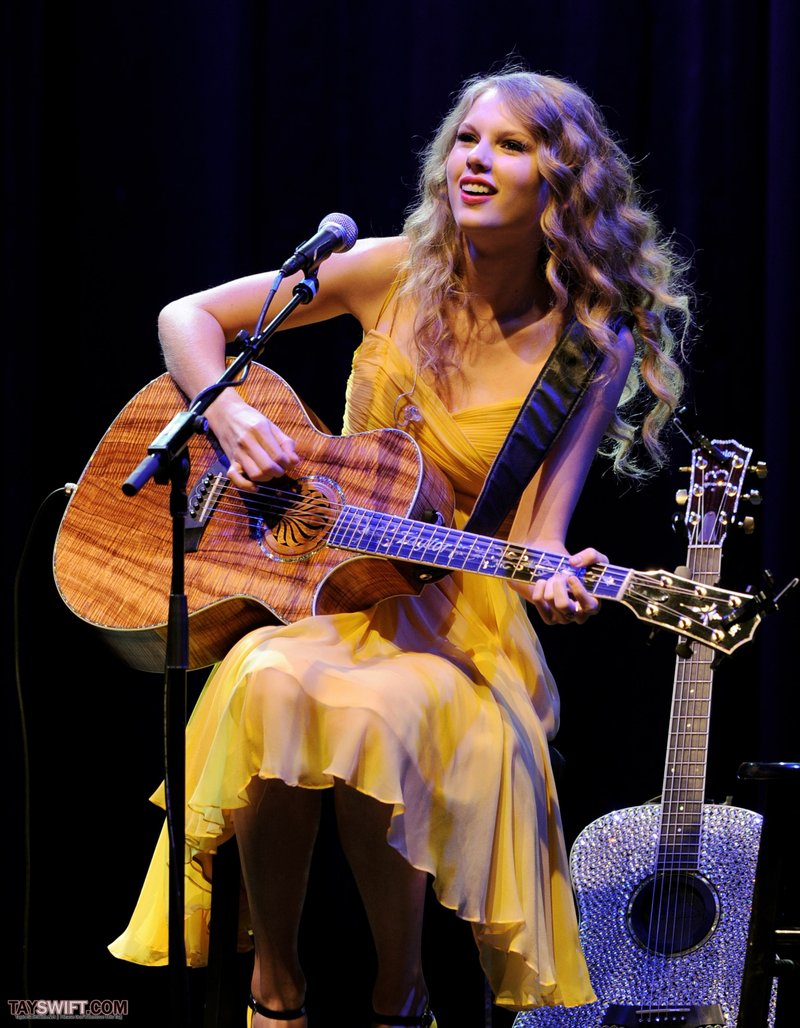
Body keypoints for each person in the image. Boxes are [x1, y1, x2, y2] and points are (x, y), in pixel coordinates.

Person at [109, 67, 690, 1027]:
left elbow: (539, 538)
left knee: (379, 707)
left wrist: (557, 582)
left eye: (511, 146)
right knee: (261, 673)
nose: (477, 161)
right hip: (328, 589)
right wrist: (233, 413)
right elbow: (188, 316)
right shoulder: (388, 270)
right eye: (468, 139)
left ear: (563, 183)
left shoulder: (589, 345)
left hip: (460, 619)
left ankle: (400, 989)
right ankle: (276, 987)